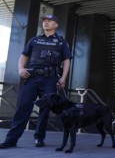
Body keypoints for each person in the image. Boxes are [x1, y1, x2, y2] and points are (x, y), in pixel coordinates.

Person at [0, 14, 72, 149]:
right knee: (23, 108)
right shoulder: (35, 40)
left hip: (50, 79)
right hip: (31, 78)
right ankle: (11, 140)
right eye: (44, 21)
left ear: (56, 25)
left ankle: (39, 138)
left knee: (45, 110)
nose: (46, 22)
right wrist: (21, 69)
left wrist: (63, 78)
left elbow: (66, 60)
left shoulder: (61, 42)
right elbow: (23, 56)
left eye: (49, 21)